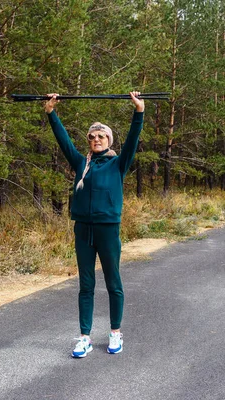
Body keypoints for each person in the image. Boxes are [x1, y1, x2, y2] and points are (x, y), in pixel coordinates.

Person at [44, 91, 144, 358]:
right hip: (83, 230)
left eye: (101, 136)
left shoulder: (117, 164)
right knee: (86, 285)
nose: (96, 139)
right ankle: (85, 337)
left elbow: (133, 140)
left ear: (109, 140)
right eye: (92, 136)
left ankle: (115, 332)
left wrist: (139, 112)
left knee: (113, 282)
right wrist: (51, 113)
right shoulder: (81, 163)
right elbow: (63, 142)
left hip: (108, 229)